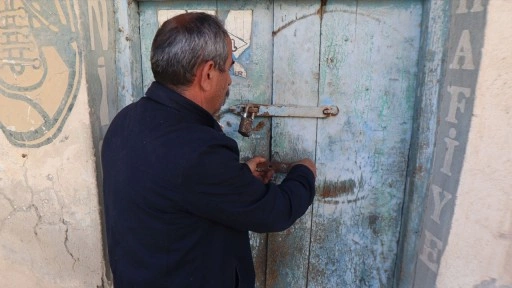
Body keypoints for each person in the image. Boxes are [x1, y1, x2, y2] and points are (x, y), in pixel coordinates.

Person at [101, 12, 316, 288]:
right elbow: (273, 212)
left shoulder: (126, 120)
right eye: (228, 68)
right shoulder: (197, 148)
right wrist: (303, 175)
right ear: (207, 73)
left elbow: (177, 187)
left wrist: (237, 176)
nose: (229, 81)